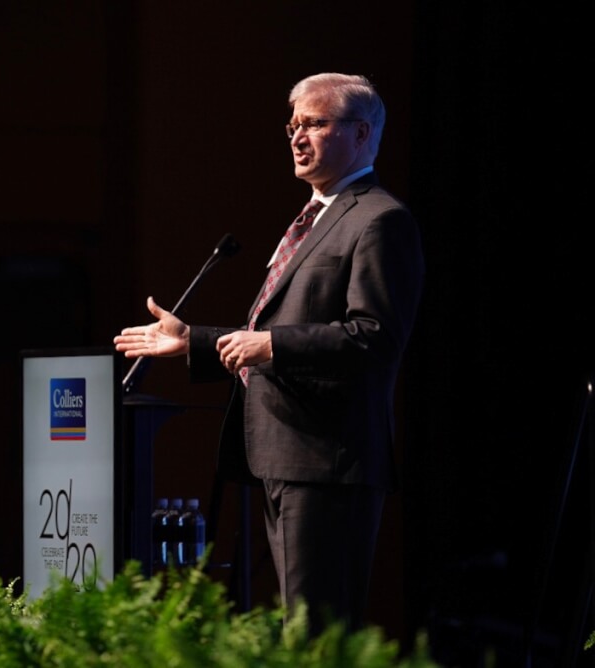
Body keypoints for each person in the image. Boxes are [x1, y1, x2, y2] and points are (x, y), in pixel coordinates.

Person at [113, 73, 424, 635]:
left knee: (315, 634)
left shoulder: (380, 220)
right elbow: (275, 332)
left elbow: (374, 336)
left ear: (360, 133)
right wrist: (194, 342)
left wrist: (272, 344)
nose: (298, 138)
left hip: (328, 459)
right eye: (293, 125)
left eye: (315, 124)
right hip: (285, 453)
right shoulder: (318, 217)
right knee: (295, 629)